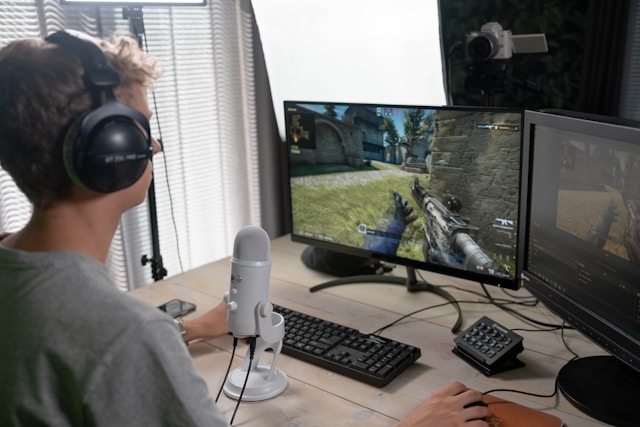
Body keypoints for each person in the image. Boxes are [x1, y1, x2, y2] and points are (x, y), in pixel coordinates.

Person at [0, 31, 491, 427]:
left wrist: (186, 329)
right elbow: (109, 346)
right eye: (141, 128)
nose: (155, 145)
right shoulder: (124, 335)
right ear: (110, 148)